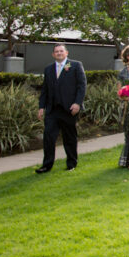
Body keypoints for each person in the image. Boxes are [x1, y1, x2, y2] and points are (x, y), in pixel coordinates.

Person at [36, 43, 86, 173]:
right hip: (52, 110)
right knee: (48, 137)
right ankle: (46, 165)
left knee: (69, 138)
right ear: (53, 54)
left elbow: (82, 86)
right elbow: (45, 90)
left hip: (69, 109)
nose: (59, 53)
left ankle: (71, 164)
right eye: (56, 51)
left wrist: (77, 103)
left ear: (66, 53)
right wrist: (41, 107)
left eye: (61, 51)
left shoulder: (75, 66)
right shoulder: (48, 69)